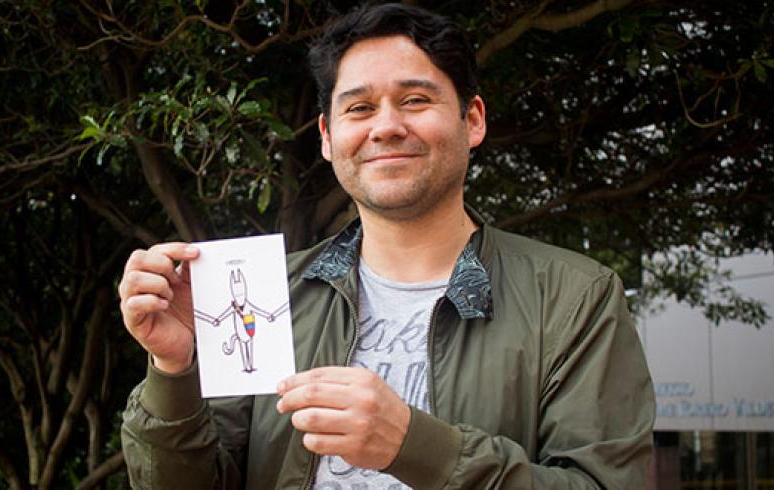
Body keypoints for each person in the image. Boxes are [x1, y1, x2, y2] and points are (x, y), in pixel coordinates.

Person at [118, 3, 655, 489]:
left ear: (472, 120)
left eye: (415, 100)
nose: (387, 127)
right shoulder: (271, 294)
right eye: (359, 108)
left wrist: (415, 446)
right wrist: (173, 368)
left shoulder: (573, 299)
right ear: (327, 137)